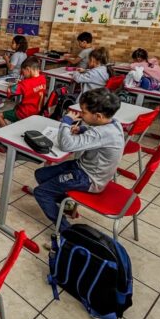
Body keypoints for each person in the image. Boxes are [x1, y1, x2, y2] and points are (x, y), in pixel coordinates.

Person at [25, 89, 124, 248]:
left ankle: (67, 233)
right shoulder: (114, 123)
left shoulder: (100, 134)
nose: (81, 115)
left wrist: (66, 121)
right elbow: (99, 134)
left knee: (41, 192)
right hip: (84, 169)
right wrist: (83, 129)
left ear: (98, 116)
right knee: (41, 174)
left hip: (88, 178)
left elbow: (66, 145)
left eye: (84, 112)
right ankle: (68, 204)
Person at [0, 58, 46, 127]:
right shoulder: (43, 78)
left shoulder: (25, 83)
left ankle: (7, 131)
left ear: (28, 69)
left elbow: (11, 90)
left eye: (23, 72)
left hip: (25, 113)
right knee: (16, 107)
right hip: (37, 111)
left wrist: (11, 85)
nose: (23, 75)